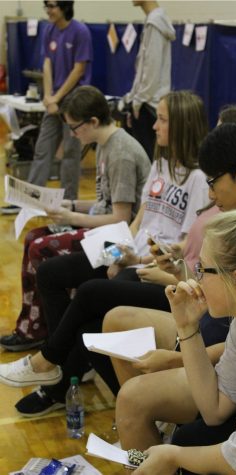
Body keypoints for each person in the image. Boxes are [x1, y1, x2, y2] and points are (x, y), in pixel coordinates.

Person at [0, 90, 209, 414]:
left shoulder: (196, 179)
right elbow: (139, 221)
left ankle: (54, 367)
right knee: (51, 272)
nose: (154, 126)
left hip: (151, 265)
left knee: (88, 297)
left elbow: (180, 249)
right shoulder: (161, 163)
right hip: (127, 248)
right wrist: (119, 253)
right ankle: (56, 359)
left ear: (182, 124)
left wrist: (133, 260)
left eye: (163, 120)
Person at [102, 106, 236, 386]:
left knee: (135, 400)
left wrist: (180, 356)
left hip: (223, 360)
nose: (211, 194)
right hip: (202, 332)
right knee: (114, 318)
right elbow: (215, 286)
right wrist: (179, 271)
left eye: (214, 183)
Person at [117, 201, 236, 475]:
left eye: (202, 270)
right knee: (191, 439)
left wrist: (173, 456)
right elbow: (214, 409)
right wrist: (187, 326)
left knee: (185, 450)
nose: (196, 279)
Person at [0, 85, 151, 351]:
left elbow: (120, 218)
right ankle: (36, 326)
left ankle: (56, 336)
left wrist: (71, 215)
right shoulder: (105, 144)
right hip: (107, 229)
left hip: (121, 239)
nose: (71, 134)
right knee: (35, 236)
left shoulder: (121, 152)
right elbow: (106, 203)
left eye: (74, 127)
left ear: (93, 121)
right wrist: (70, 204)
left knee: (42, 248)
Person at [27, 1, 93, 199]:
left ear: (64, 7)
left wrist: (57, 96)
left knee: (71, 154)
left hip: (74, 102)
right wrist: (48, 96)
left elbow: (79, 69)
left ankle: (68, 201)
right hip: (54, 101)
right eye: (46, 5)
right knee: (42, 150)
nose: (48, 10)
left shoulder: (81, 32)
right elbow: (47, 63)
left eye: (52, 6)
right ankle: (30, 199)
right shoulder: (49, 30)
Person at [119, 1, 175, 160]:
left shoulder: (155, 23)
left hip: (148, 106)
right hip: (147, 103)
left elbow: (151, 69)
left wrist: (138, 102)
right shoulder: (154, 20)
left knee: (147, 164)